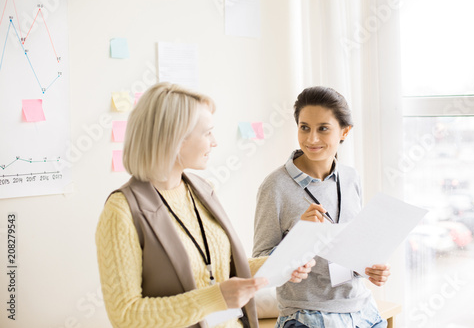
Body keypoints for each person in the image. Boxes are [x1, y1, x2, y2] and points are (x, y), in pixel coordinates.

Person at [95, 82, 315, 328]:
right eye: (207, 132)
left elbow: (223, 269)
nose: (215, 142)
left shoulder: (202, 189)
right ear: (175, 139)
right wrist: (216, 297)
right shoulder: (122, 211)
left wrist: (280, 264)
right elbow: (126, 315)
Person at [252, 86, 391, 328]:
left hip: (365, 311)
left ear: (344, 132)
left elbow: (353, 247)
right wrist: (300, 236)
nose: (311, 139)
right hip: (307, 317)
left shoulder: (351, 177)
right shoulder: (275, 186)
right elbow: (260, 263)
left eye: (323, 129)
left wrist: (370, 268)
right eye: (304, 127)